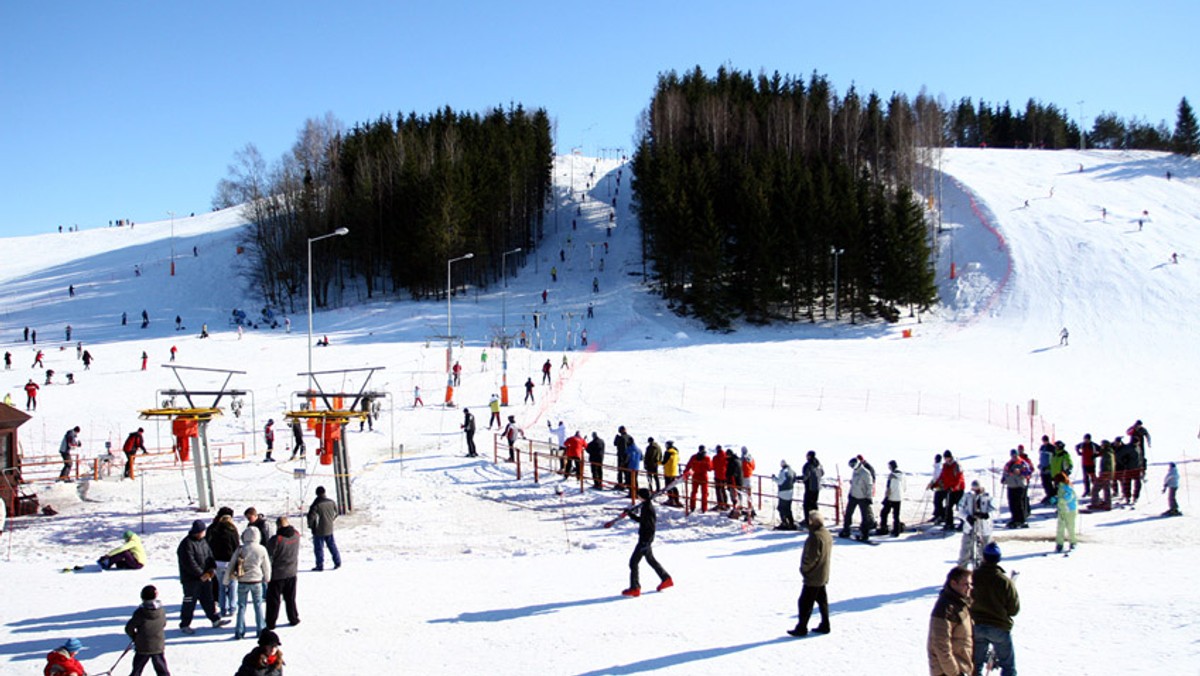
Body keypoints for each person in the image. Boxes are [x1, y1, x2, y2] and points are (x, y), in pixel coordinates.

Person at [971, 543, 1020, 676]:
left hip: (976, 627)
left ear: (984, 557)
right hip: (999, 628)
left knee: (975, 667)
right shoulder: (1005, 581)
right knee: (1008, 667)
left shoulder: (973, 577)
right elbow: (1014, 609)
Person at [177, 519, 229, 634]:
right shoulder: (186, 544)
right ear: (198, 531)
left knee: (208, 600)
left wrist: (211, 568)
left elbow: (209, 555)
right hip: (191, 580)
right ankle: (185, 624)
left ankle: (215, 619)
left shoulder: (203, 541)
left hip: (206, 577)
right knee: (189, 602)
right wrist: (201, 574)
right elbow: (189, 563)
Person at [788, 510, 832, 636]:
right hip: (823, 573)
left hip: (814, 576)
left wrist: (805, 569)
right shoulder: (826, 534)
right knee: (822, 601)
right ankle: (825, 624)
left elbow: (812, 557)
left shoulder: (815, 537)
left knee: (805, 602)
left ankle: (801, 627)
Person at [622, 488, 672, 597]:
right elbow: (642, 520)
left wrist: (646, 542)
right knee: (651, 560)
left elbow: (650, 526)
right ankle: (666, 578)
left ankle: (635, 588)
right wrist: (630, 514)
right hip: (645, 539)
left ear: (641, 496)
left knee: (633, 562)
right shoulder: (646, 506)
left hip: (645, 540)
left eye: (638, 495)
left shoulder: (647, 507)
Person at [224, 526, 271, 640]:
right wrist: (267, 578)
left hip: (243, 580)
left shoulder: (241, 549)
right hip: (256, 581)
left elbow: (231, 564)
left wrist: (226, 580)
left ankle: (239, 631)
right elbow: (266, 566)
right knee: (258, 606)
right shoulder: (261, 549)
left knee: (241, 607)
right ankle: (260, 629)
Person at [927, 566, 974, 676]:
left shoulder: (961, 604)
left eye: (970, 584)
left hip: (962, 667)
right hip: (946, 672)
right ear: (953, 583)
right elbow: (940, 645)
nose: (969, 587)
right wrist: (954, 672)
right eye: (965, 584)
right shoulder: (945, 608)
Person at [125, 585, 172, 676]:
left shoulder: (140, 613)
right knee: (162, 669)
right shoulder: (161, 611)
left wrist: (135, 637)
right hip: (158, 644)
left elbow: (129, 628)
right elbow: (163, 624)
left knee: (137, 669)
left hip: (143, 646)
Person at [265, 517, 301, 629]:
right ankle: (293, 618)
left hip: (277, 573)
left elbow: (268, 555)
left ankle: (271, 622)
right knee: (290, 598)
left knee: (274, 601)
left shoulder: (277, 539)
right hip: (292, 571)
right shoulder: (296, 534)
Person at [207, 509, 241, 617]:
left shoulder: (214, 530)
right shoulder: (232, 531)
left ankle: (223, 608)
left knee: (221, 587)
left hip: (218, 562)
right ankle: (232, 607)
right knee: (232, 586)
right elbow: (237, 546)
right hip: (230, 562)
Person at [957, 480, 994, 568]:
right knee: (965, 553)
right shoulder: (967, 496)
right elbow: (960, 509)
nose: (976, 492)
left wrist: (987, 515)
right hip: (970, 528)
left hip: (984, 528)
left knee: (985, 552)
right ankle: (962, 572)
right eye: (974, 489)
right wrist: (967, 517)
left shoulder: (988, 497)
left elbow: (995, 510)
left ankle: (986, 572)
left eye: (978, 489)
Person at [840, 457, 876, 541]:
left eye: (852, 465)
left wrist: (869, 497)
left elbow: (869, 486)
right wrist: (850, 493)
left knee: (865, 517)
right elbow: (853, 484)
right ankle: (846, 530)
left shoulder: (865, 473)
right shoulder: (855, 471)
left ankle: (865, 534)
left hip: (863, 498)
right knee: (848, 513)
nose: (852, 467)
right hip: (853, 496)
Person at [307, 486, 341, 571]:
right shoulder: (331, 502)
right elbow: (336, 513)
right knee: (332, 545)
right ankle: (337, 562)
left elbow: (311, 517)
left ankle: (320, 565)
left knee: (319, 548)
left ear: (317, 493)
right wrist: (330, 521)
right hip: (329, 528)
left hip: (319, 530)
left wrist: (312, 527)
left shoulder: (316, 504)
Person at [1001, 450, 1031, 528]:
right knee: (1012, 503)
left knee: (1019, 503)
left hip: (1019, 486)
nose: (1014, 457)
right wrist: (1004, 479)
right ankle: (1014, 519)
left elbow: (1028, 472)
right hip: (1011, 486)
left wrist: (1020, 472)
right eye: (1012, 456)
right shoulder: (1008, 463)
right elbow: (1005, 472)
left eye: (1015, 455)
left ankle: (1021, 520)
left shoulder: (1022, 463)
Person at [937, 451, 965, 530]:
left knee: (960, 507)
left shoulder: (956, 465)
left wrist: (954, 487)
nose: (946, 459)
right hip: (949, 489)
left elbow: (959, 478)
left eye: (947, 457)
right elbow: (942, 477)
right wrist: (935, 484)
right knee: (948, 507)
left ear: (950, 457)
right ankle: (949, 523)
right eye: (945, 458)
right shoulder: (945, 466)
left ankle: (963, 523)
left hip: (958, 490)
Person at [878, 460, 905, 536]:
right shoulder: (901, 475)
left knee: (884, 513)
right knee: (896, 515)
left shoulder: (892, 476)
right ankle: (896, 530)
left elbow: (890, 488)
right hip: (898, 498)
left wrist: (887, 496)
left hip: (891, 497)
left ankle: (884, 528)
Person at [1052, 472, 1078, 553]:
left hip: (1070, 510)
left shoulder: (1067, 488)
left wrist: (1058, 500)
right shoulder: (1060, 487)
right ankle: (1059, 544)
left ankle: (1073, 542)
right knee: (1060, 528)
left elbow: (1068, 498)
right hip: (1062, 510)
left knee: (1070, 527)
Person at [685, 446, 712, 514]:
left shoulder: (694, 457)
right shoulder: (707, 458)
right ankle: (704, 508)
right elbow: (710, 468)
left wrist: (685, 472)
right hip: (703, 476)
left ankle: (692, 507)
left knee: (694, 492)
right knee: (704, 493)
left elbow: (688, 466)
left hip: (695, 476)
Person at [774, 460, 798, 530]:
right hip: (790, 491)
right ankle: (791, 523)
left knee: (781, 508)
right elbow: (794, 479)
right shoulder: (792, 471)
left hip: (783, 492)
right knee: (788, 509)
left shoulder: (783, 472)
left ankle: (784, 523)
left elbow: (780, 482)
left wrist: (774, 478)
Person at [800, 450, 824, 516]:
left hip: (809, 487)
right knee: (814, 504)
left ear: (809, 456)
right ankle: (816, 519)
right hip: (817, 487)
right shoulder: (819, 464)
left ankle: (808, 520)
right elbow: (822, 473)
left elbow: (806, 476)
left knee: (807, 504)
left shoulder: (808, 465)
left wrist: (798, 478)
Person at [662, 441, 682, 506]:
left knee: (668, 486)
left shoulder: (668, 452)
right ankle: (676, 500)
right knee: (673, 486)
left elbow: (664, 462)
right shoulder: (676, 452)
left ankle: (671, 499)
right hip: (674, 471)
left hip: (668, 472)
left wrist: (657, 462)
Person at [1037, 435, 1056, 505]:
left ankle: (1051, 496)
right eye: (1043, 441)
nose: (1044, 442)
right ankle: (1048, 495)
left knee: (1049, 483)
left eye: (1045, 441)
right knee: (1044, 483)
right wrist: (1040, 464)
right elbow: (1041, 457)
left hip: (1049, 469)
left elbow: (1053, 460)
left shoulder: (1051, 448)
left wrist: (1049, 467)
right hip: (1043, 468)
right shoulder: (1042, 447)